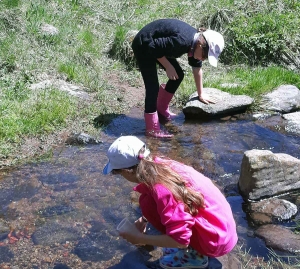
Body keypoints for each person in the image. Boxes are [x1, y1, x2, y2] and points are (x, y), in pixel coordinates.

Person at [103, 136, 238, 269]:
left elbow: (180, 240)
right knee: (147, 202)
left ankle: (193, 258)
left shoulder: (161, 189)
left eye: (118, 173)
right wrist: (144, 219)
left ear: (127, 171)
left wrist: (139, 238)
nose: (121, 176)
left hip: (216, 241)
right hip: (220, 223)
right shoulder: (160, 164)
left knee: (154, 210)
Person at [132, 19, 225, 138]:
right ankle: (152, 129)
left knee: (178, 75)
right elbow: (153, 47)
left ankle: (161, 108)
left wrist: (201, 94)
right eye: (205, 56)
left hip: (156, 46)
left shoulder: (194, 44)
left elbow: (197, 69)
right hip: (144, 44)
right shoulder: (182, 41)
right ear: (201, 45)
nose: (203, 59)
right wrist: (168, 66)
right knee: (152, 87)